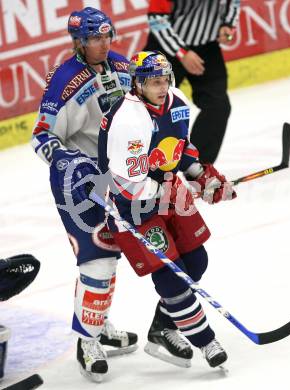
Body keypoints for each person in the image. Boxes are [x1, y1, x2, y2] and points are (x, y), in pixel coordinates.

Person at [97, 51, 236, 368]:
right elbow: (129, 187)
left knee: (196, 260)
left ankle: (163, 328)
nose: (162, 87)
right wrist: (174, 188)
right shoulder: (127, 122)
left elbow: (180, 148)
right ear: (138, 84)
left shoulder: (175, 101)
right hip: (130, 206)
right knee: (171, 278)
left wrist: (202, 176)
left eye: (165, 80)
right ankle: (206, 342)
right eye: (154, 82)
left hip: (165, 189)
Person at [31, 7, 137, 382]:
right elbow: (41, 136)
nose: (104, 44)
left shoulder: (122, 67)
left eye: (108, 36)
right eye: (95, 38)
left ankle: (99, 321)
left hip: (120, 176)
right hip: (80, 183)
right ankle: (86, 340)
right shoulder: (64, 80)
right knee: (97, 259)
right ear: (79, 42)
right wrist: (72, 164)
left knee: (114, 253)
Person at [144, 0, 241, 164]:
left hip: (206, 45)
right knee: (148, 110)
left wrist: (228, 24)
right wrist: (182, 52)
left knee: (218, 106)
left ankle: (197, 167)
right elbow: (157, 19)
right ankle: (143, 170)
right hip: (166, 45)